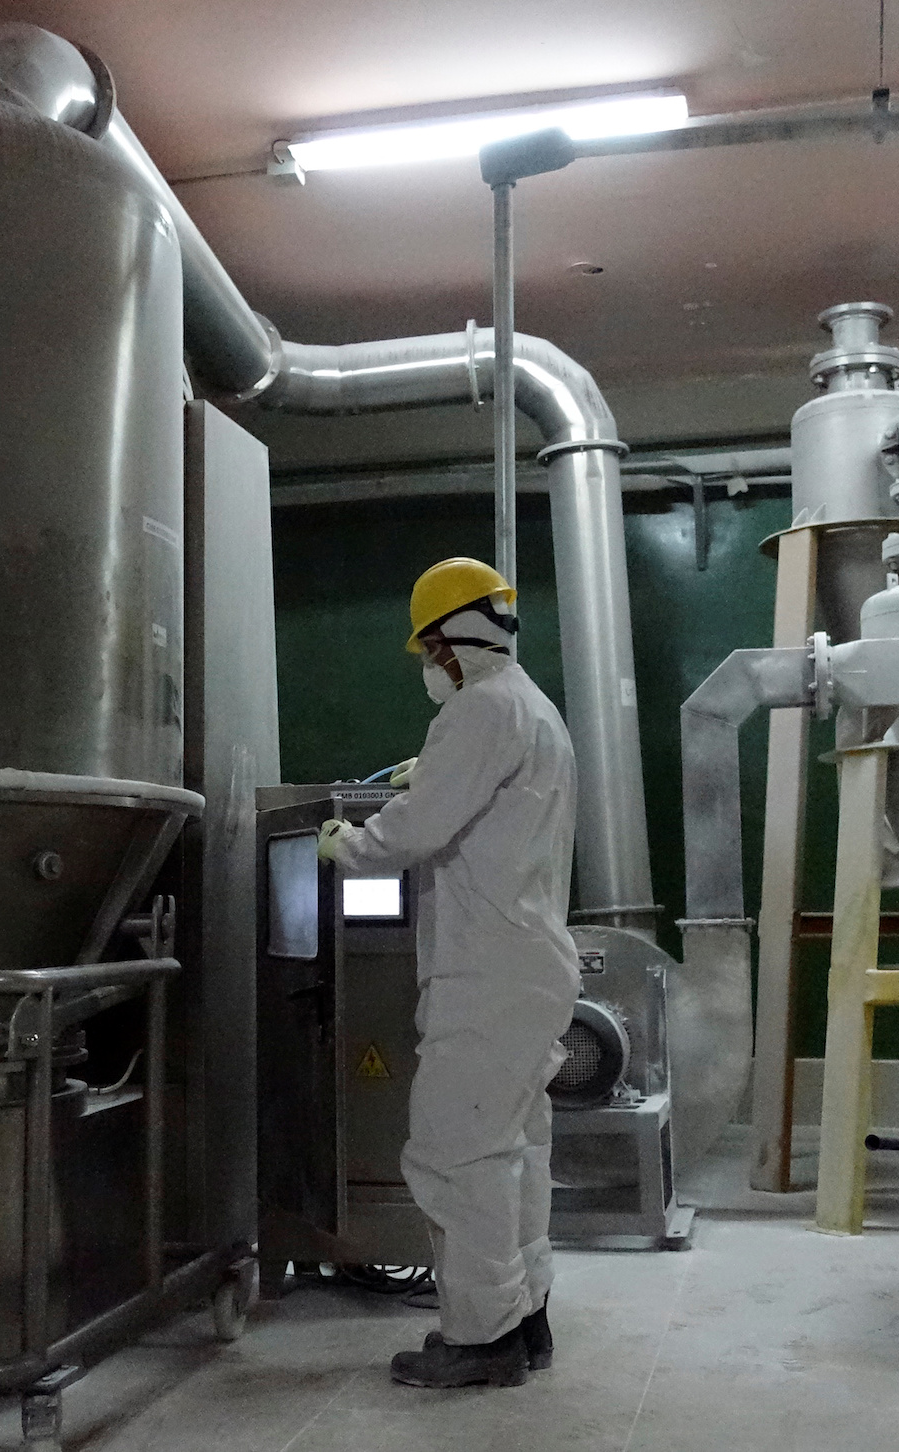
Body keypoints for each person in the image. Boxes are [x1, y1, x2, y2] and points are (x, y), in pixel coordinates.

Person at [317, 557, 582, 1389]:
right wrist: (426, 778)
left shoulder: (479, 709)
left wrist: (348, 846)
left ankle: (481, 1340)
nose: (431, 669)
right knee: (514, 1150)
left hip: (486, 974)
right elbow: (471, 802)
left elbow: (411, 834)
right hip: (529, 967)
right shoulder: (532, 709)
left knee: (452, 1155)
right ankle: (522, 1317)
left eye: (431, 651)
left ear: (451, 640)